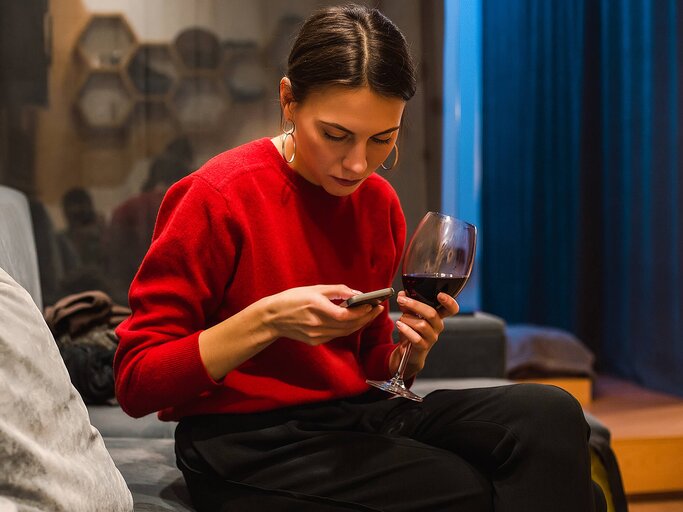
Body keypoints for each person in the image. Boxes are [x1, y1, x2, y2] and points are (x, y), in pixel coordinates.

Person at [114, 5, 605, 511]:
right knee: (480, 489)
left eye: (382, 140)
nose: (357, 164)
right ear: (288, 101)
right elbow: (136, 379)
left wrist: (407, 354)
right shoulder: (217, 196)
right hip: (243, 444)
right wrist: (269, 319)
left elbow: (370, 356)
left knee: (551, 414)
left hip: (351, 414)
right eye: (335, 135)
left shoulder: (378, 205)